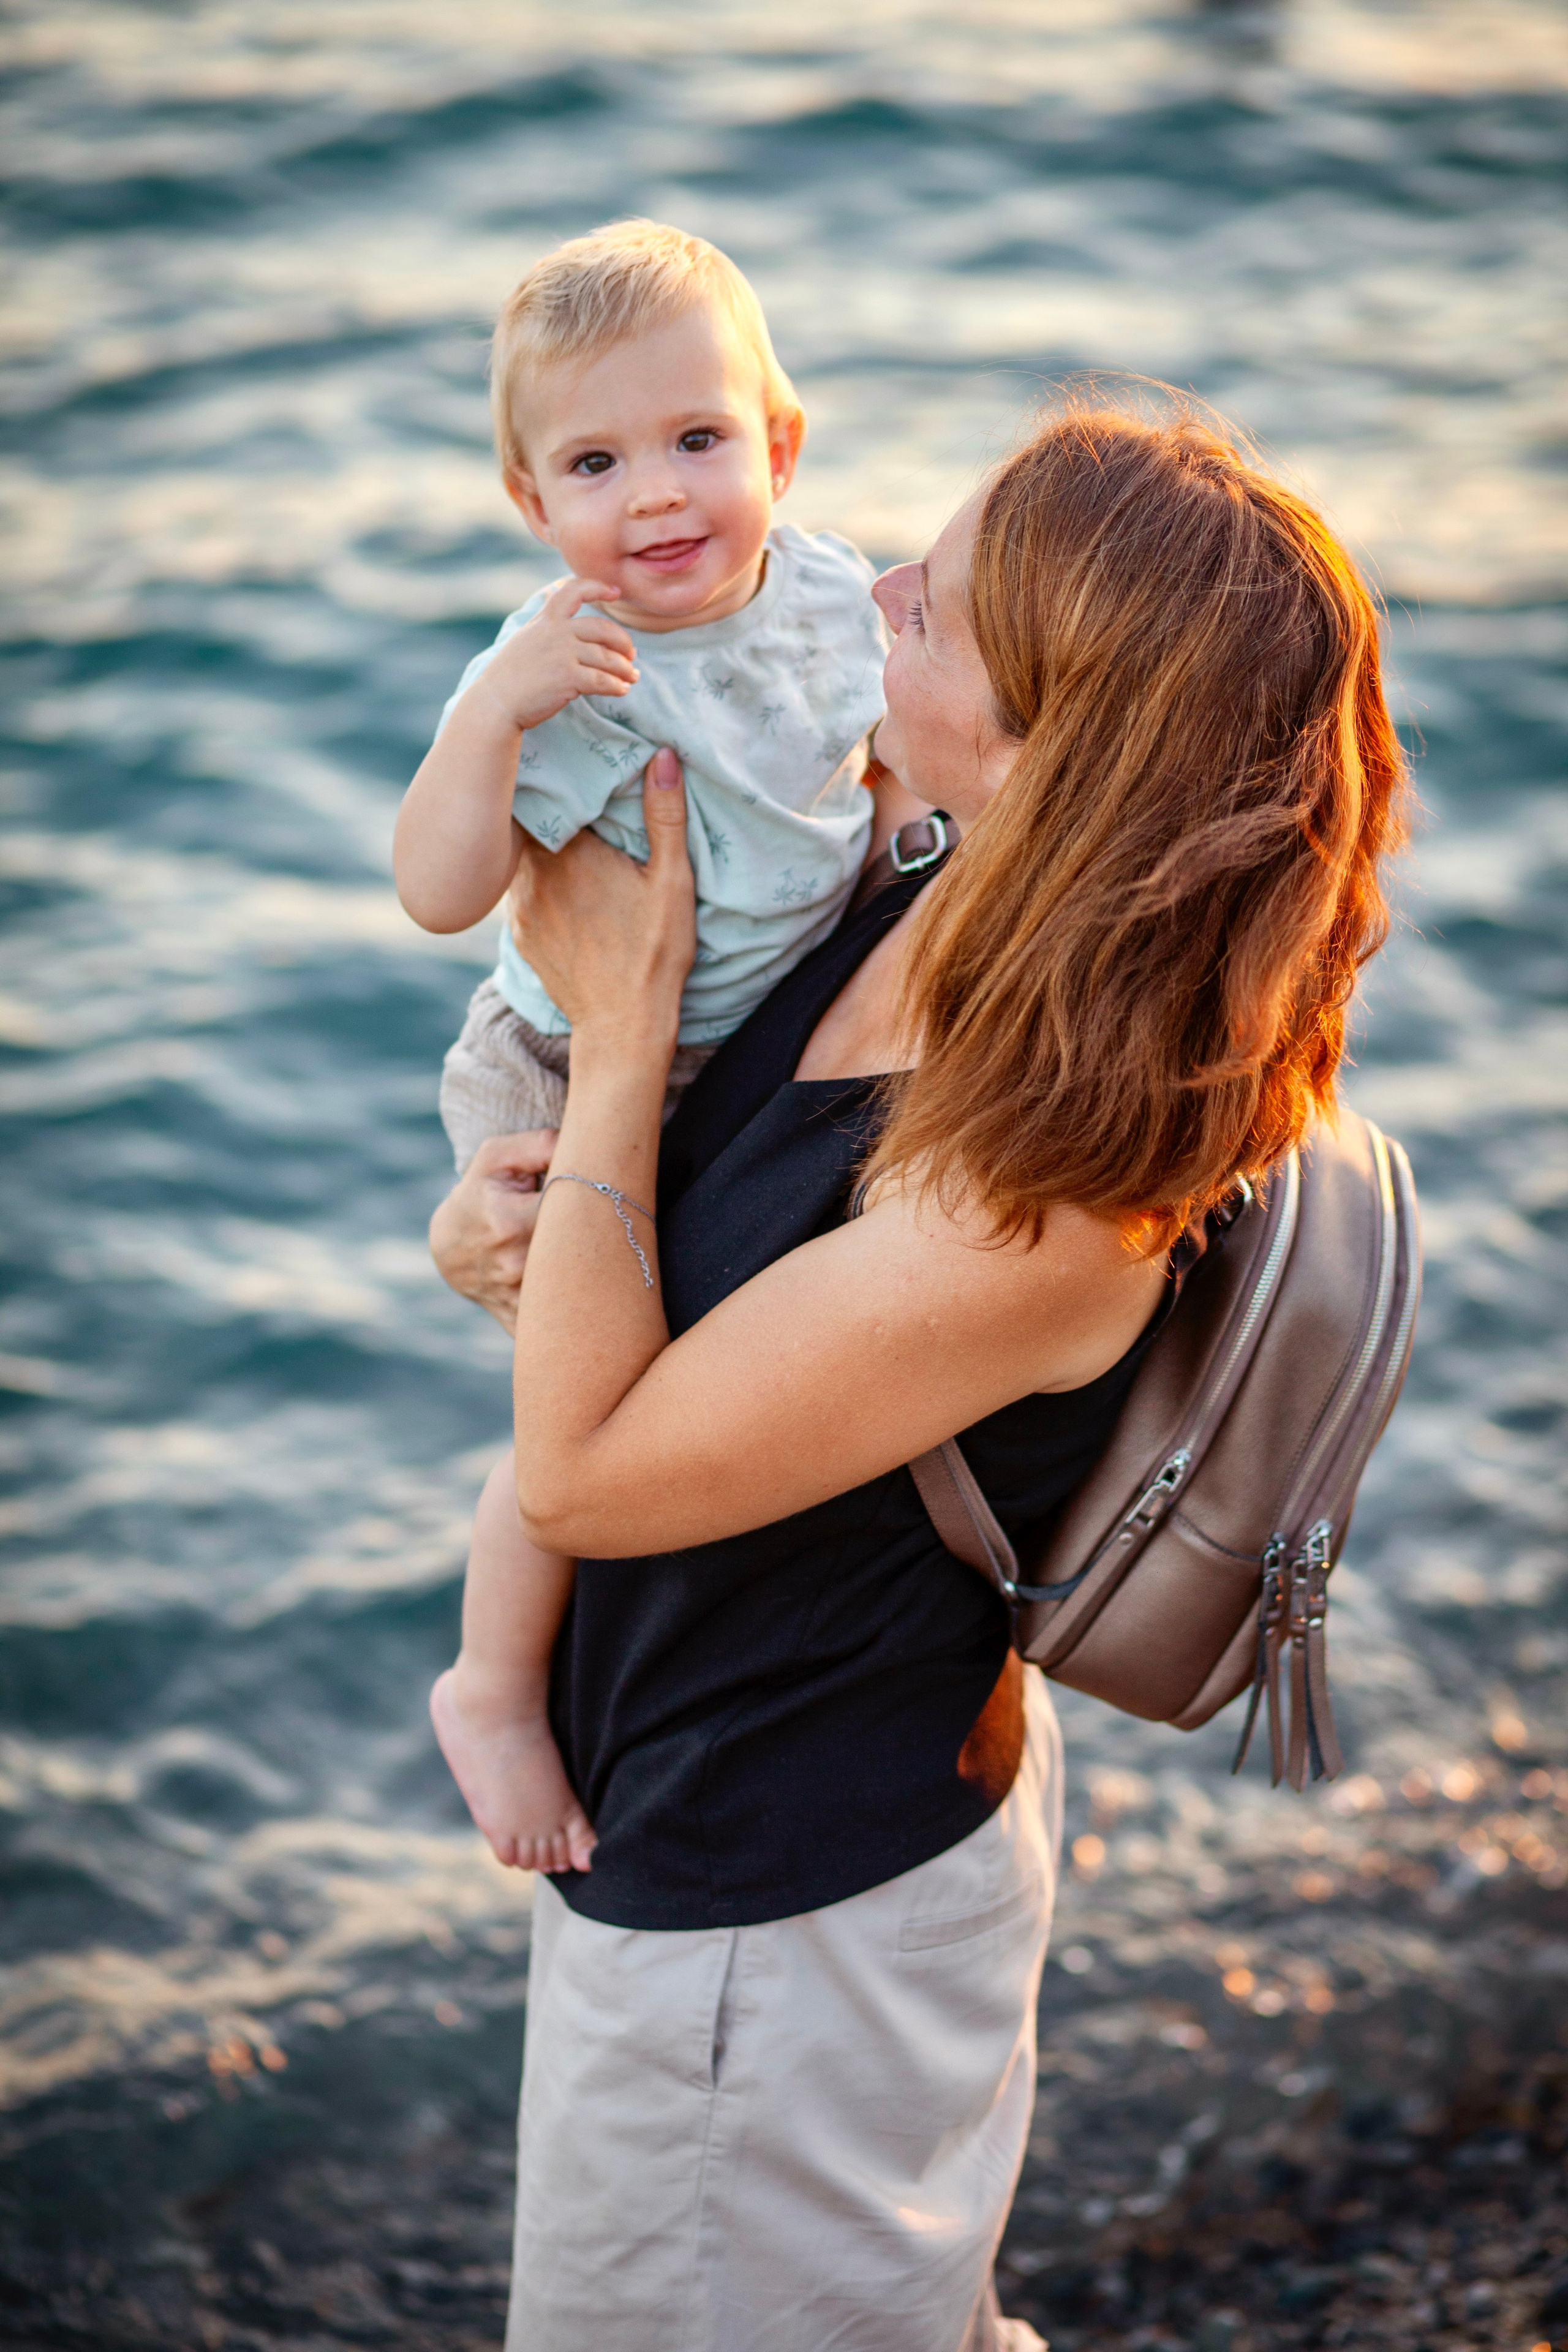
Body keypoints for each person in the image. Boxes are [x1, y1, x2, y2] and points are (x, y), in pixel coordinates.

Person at [429, 397, 1407, 2352]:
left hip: (785, 1911)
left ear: (1055, 743)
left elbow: (588, 1478)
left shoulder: (1043, 1197)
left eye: (938, 611)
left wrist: (619, 1032)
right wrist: (496, 1236)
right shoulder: (930, 863)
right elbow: (689, 1306)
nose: (875, 593)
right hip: (738, 1811)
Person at [393, 220, 888, 1871]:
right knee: (577, 1405)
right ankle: (492, 1688)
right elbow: (439, 893)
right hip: (562, 1056)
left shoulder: (834, 598)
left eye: (697, 440)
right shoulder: (563, 670)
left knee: (693, 1392)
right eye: (596, 465)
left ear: (780, 447)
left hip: (733, 1045)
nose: (659, 496)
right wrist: (490, 716)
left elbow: (895, 773)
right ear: (534, 505)